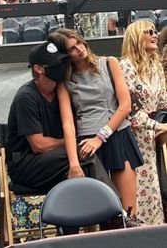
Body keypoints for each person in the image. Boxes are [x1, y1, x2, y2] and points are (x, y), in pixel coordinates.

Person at [47, 28, 144, 226]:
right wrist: (74, 163)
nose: (79, 49)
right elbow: (68, 123)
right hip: (87, 145)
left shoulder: (109, 63)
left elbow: (125, 106)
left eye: (79, 43)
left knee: (128, 214)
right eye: (72, 48)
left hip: (116, 134)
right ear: (65, 54)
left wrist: (100, 137)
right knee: (98, 216)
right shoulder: (64, 81)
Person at [6, 41, 116, 195]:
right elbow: (39, 145)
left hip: (53, 161)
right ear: (38, 69)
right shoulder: (26, 97)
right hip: (25, 165)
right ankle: (116, 211)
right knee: (81, 154)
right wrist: (71, 143)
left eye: (63, 61)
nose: (62, 66)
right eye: (55, 63)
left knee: (83, 160)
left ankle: (103, 214)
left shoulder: (61, 93)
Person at [120, 19, 167, 224]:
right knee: (140, 190)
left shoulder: (155, 66)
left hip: (152, 136)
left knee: (154, 189)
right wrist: (158, 125)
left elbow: (162, 102)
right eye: (149, 32)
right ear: (137, 36)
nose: (155, 35)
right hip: (132, 138)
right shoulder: (125, 67)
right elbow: (128, 111)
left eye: (155, 31)